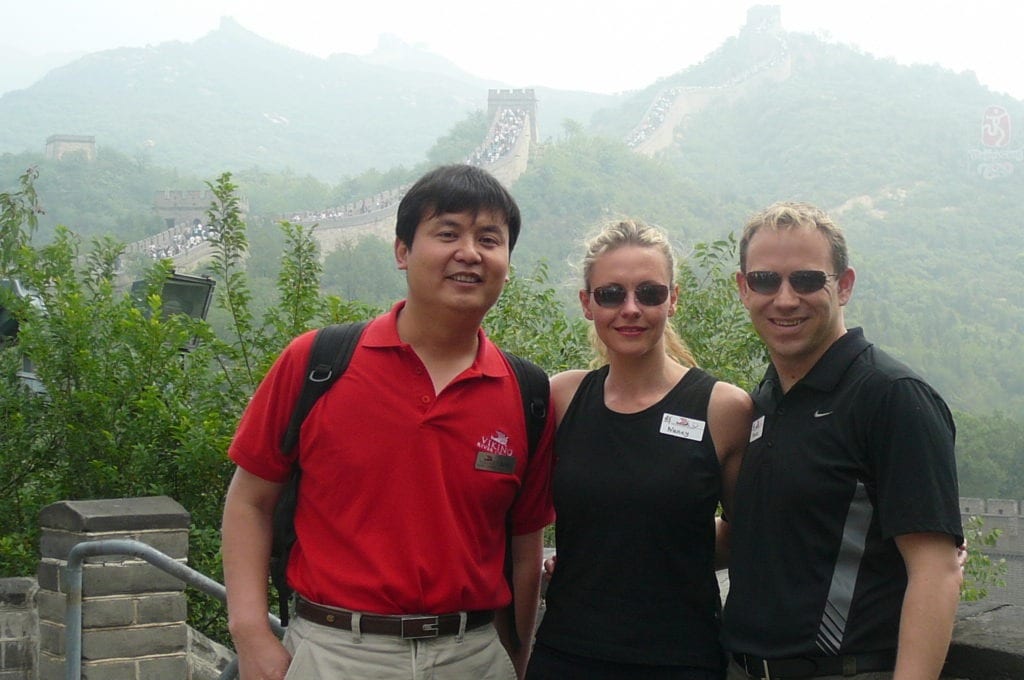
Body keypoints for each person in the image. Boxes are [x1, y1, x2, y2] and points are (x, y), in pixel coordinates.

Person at [221, 164, 555, 680]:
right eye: (447, 233)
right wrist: (250, 633)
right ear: (402, 251)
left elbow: (525, 543)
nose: (469, 252)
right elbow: (250, 501)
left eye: (490, 239)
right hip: (335, 652)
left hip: (472, 655)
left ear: (507, 262)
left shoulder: (527, 394)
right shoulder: (319, 362)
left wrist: (515, 654)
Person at [723, 201, 963, 680]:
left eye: (808, 280)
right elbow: (749, 537)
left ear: (844, 285)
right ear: (744, 289)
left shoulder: (891, 398)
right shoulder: (765, 401)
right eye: (766, 280)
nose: (785, 299)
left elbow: (935, 571)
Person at [526, 219, 753, 680]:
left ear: (673, 299)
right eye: (611, 294)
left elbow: (743, 533)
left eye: (649, 293)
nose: (630, 308)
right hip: (567, 653)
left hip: (680, 656)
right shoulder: (562, 398)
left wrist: (653, 546)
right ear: (587, 304)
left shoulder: (723, 408)